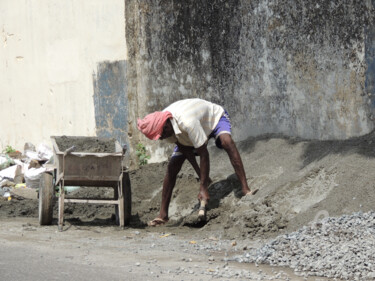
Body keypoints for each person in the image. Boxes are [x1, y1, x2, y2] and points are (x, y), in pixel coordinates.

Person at [137, 98, 258, 226]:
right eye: (159, 137)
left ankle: (245, 188)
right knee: (172, 166)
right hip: (187, 133)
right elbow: (185, 150)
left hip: (214, 119)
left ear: (166, 125)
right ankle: (163, 215)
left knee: (226, 142)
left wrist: (203, 188)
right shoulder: (164, 127)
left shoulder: (187, 122)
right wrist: (201, 175)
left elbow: (204, 154)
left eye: (162, 135)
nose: (162, 138)